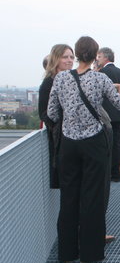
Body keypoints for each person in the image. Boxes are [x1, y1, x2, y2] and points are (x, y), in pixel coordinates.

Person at [47, 36, 120, 263]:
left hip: (68, 143)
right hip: (94, 143)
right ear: (95, 56)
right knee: (92, 197)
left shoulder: (61, 78)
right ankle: (91, 253)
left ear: (76, 54)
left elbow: (52, 113)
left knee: (69, 197)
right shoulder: (100, 79)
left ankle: (67, 252)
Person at [38, 44, 74, 188]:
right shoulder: (49, 83)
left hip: (73, 139)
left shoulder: (72, 80)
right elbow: (44, 113)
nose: (69, 60)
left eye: (72, 57)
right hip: (61, 140)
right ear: (56, 59)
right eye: (65, 57)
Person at [96, 47, 120, 182]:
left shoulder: (102, 73)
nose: (97, 60)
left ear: (105, 58)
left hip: (107, 115)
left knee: (108, 145)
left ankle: (111, 172)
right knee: (119, 143)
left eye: (99, 57)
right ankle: (118, 171)